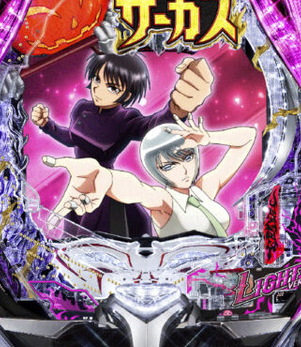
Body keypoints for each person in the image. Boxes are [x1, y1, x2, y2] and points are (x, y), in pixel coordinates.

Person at [31, 52, 214, 237]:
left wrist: (178, 107)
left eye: (112, 87)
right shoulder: (82, 108)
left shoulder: (125, 119)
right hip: (79, 185)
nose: (98, 90)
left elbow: (153, 126)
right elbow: (71, 138)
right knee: (72, 240)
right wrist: (47, 124)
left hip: (106, 190)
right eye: (97, 79)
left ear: (127, 94)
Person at [42, 115, 257, 239]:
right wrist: (103, 175)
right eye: (169, 165)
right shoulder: (164, 201)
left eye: (187, 157)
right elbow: (137, 189)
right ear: (156, 171)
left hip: (221, 270)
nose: (183, 170)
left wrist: (209, 138)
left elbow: (248, 137)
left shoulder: (205, 188)